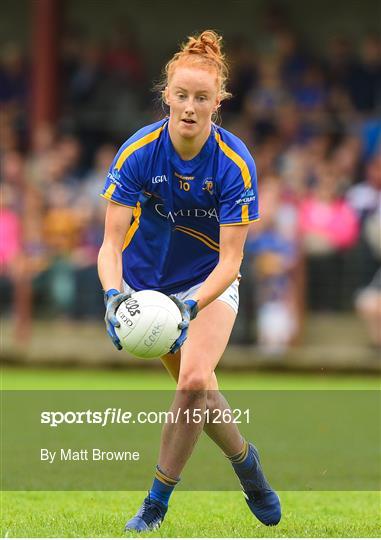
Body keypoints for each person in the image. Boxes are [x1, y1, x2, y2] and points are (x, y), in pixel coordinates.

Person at [97, 30, 281, 532]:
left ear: (217, 103)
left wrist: (189, 307)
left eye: (202, 98)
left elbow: (230, 260)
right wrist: (114, 296)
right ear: (167, 96)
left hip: (206, 284)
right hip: (146, 290)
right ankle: (248, 466)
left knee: (194, 380)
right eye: (182, 95)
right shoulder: (138, 152)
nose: (190, 107)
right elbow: (110, 245)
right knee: (201, 392)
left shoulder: (234, 163)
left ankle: (155, 504)